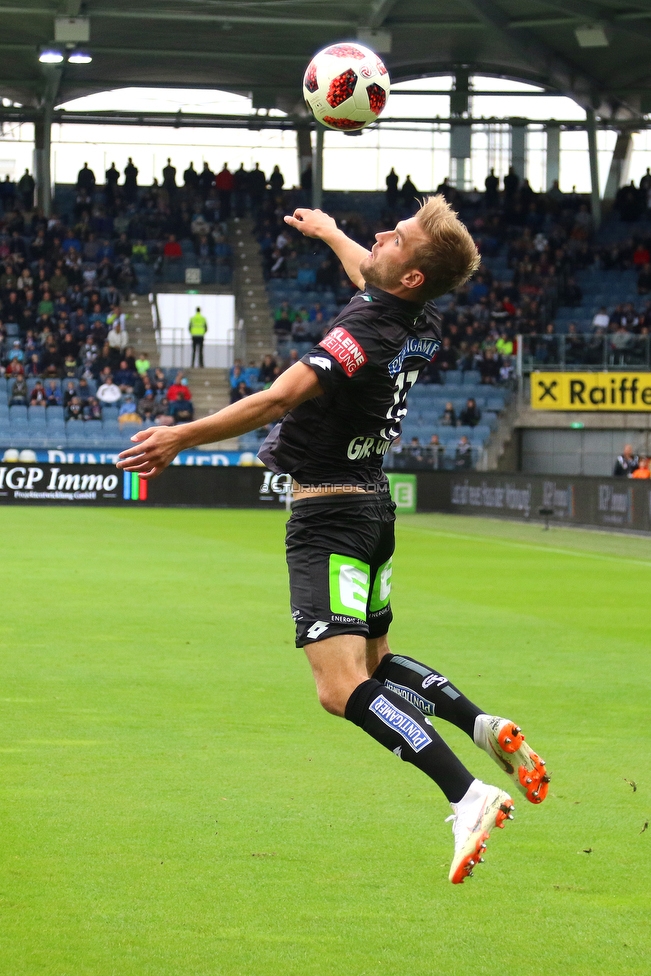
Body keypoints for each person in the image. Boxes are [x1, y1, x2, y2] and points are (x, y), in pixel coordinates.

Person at [118, 195, 550, 885]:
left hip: (328, 517)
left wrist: (180, 435)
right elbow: (367, 271)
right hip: (372, 509)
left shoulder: (363, 331)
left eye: (397, 236)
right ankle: (479, 724)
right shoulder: (417, 316)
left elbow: (279, 399)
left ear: (409, 275)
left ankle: (465, 792)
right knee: (375, 664)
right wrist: (327, 232)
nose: (380, 235)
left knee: (338, 686)